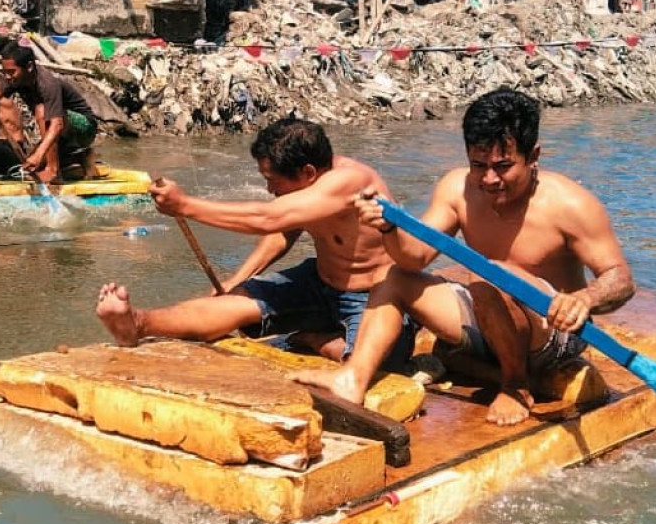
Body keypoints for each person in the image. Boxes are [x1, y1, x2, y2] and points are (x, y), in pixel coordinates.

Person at [290, 88, 635, 426]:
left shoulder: (571, 204)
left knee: (490, 274)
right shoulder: (458, 189)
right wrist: (389, 229)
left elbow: (620, 279)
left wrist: (584, 299)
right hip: (489, 314)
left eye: (503, 166)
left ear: (534, 156)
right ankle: (353, 378)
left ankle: (515, 385)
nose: (489, 179)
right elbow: (414, 259)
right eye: (478, 165)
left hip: (552, 333)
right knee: (391, 276)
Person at [96, 118, 417, 366]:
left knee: (376, 361)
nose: (269, 190)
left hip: (371, 294)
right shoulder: (308, 185)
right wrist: (237, 280)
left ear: (307, 172)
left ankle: (314, 339)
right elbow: (283, 232)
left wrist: (185, 206)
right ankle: (138, 322)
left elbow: (269, 218)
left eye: (273, 182)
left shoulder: (351, 181)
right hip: (319, 283)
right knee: (232, 302)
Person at [0, 41, 99, 183]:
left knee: (42, 109)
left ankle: (53, 171)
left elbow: (56, 124)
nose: (7, 77)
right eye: (5, 72)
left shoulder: (48, 83)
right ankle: (82, 157)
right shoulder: (14, 80)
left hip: (84, 127)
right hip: (58, 129)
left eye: (11, 72)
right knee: (30, 165)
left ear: (29, 67)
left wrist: (40, 153)